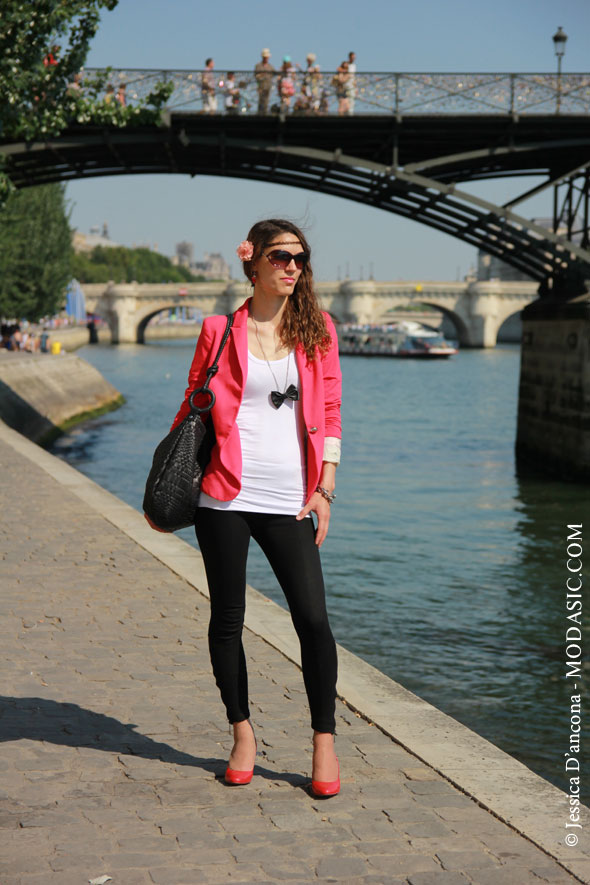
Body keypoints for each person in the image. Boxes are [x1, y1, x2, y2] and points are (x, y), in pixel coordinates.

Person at [146, 219, 342, 797]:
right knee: (228, 618)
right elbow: (194, 406)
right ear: (251, 261)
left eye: (301, 259)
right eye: (282, 257)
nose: (292, 268)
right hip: (224, 494)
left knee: (313, 620)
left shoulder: (318, 329)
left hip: (290, 499)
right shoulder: (218, 329)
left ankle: (323, 741)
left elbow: (329, 411)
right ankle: (242, 733)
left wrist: (325, 488)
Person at [254, 49, 275, 114]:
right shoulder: (258, 66)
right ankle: (260, 114)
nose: (266, 58)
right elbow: (256, 75)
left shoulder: (271, 67)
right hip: (261, 86)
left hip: (268, 85)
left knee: (266, 101)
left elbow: (274, 74)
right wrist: (261, 75)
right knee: (261, 101)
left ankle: (265, 113)